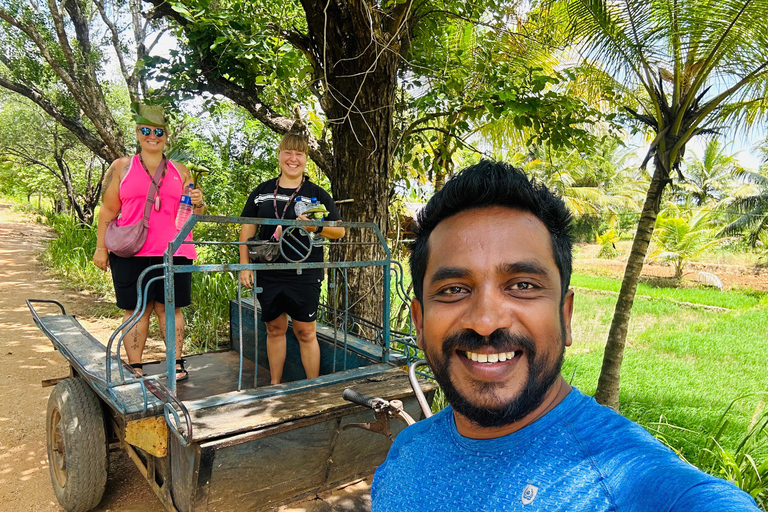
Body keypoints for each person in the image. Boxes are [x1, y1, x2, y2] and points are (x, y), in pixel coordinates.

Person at [371, 160, 760, 511]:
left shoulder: (622, 479)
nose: (486, 322)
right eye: (454, 289)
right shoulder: (406, 452)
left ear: (565, 315)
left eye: (522, 285)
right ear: (420, 323)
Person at [93, 103, 206, 381]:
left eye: (158, 131)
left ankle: (176, 362)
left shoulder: (182, 170)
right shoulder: (121, 167)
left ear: (167, 135)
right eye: (146, 130)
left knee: (171, 308)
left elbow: (195, 215)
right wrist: (100, 247)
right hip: (131, 250)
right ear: (137, 133)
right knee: (137, 309)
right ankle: (135, 366)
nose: (152, 136)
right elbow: (107, 211)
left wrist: (200, 203)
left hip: (174, 250)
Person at [238, 132, 345, 385]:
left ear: (306, 159)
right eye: (288, 152)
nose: (293, 158)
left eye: (299, 153)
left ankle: (312, 389)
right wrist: (244, 266)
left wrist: (315, 227)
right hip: (267, 270)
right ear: (279, 155)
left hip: (305, 272)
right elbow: (246, 228)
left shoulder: (316, 194)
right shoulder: (261, 192)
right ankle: (275, 385)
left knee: (306, 331)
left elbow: (339, 231)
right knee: (274, 329)